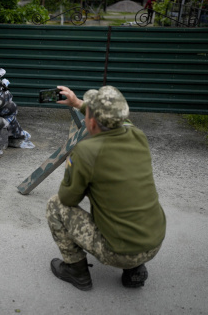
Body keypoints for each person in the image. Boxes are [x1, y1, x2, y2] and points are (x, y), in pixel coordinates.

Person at [46, 85, 166, 291]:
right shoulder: (138, 135)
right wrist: (76, 103)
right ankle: (136, 271)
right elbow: (120, 120)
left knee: (54, 205)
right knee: (129, 199)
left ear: (91, 121)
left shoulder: (86, 151)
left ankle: (76, 271)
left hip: (117, 253)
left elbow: (68, 199)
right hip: (154, 243)